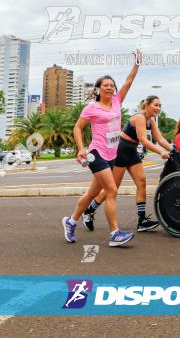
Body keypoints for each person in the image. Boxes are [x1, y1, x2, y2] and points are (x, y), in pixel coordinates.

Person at [63, 51, 141, 247]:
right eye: (105, 85)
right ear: (98, 89)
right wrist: (81, 148)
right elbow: (77, 128)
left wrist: (137, 64)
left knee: (91, 194)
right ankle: (115, 233)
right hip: (95, 153)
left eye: (112, 85)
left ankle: (70, 221)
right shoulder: (92, 107)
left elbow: (128, 82)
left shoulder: (116, 101)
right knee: (112, 190)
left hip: (112, 155)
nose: (110, 88)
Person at [82, 95, 174, 232]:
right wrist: (160, 152)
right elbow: (143, 140)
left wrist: (175, 151)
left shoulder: (151, 120)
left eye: (160, 105)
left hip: (131, 151)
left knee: (142, 182)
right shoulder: (139, 117)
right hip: (121, 150)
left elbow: (160, 139)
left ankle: (142, 221)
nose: (158, 108)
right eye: (156, 105)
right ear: (147, 105)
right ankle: (89, 211)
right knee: (113, 188)